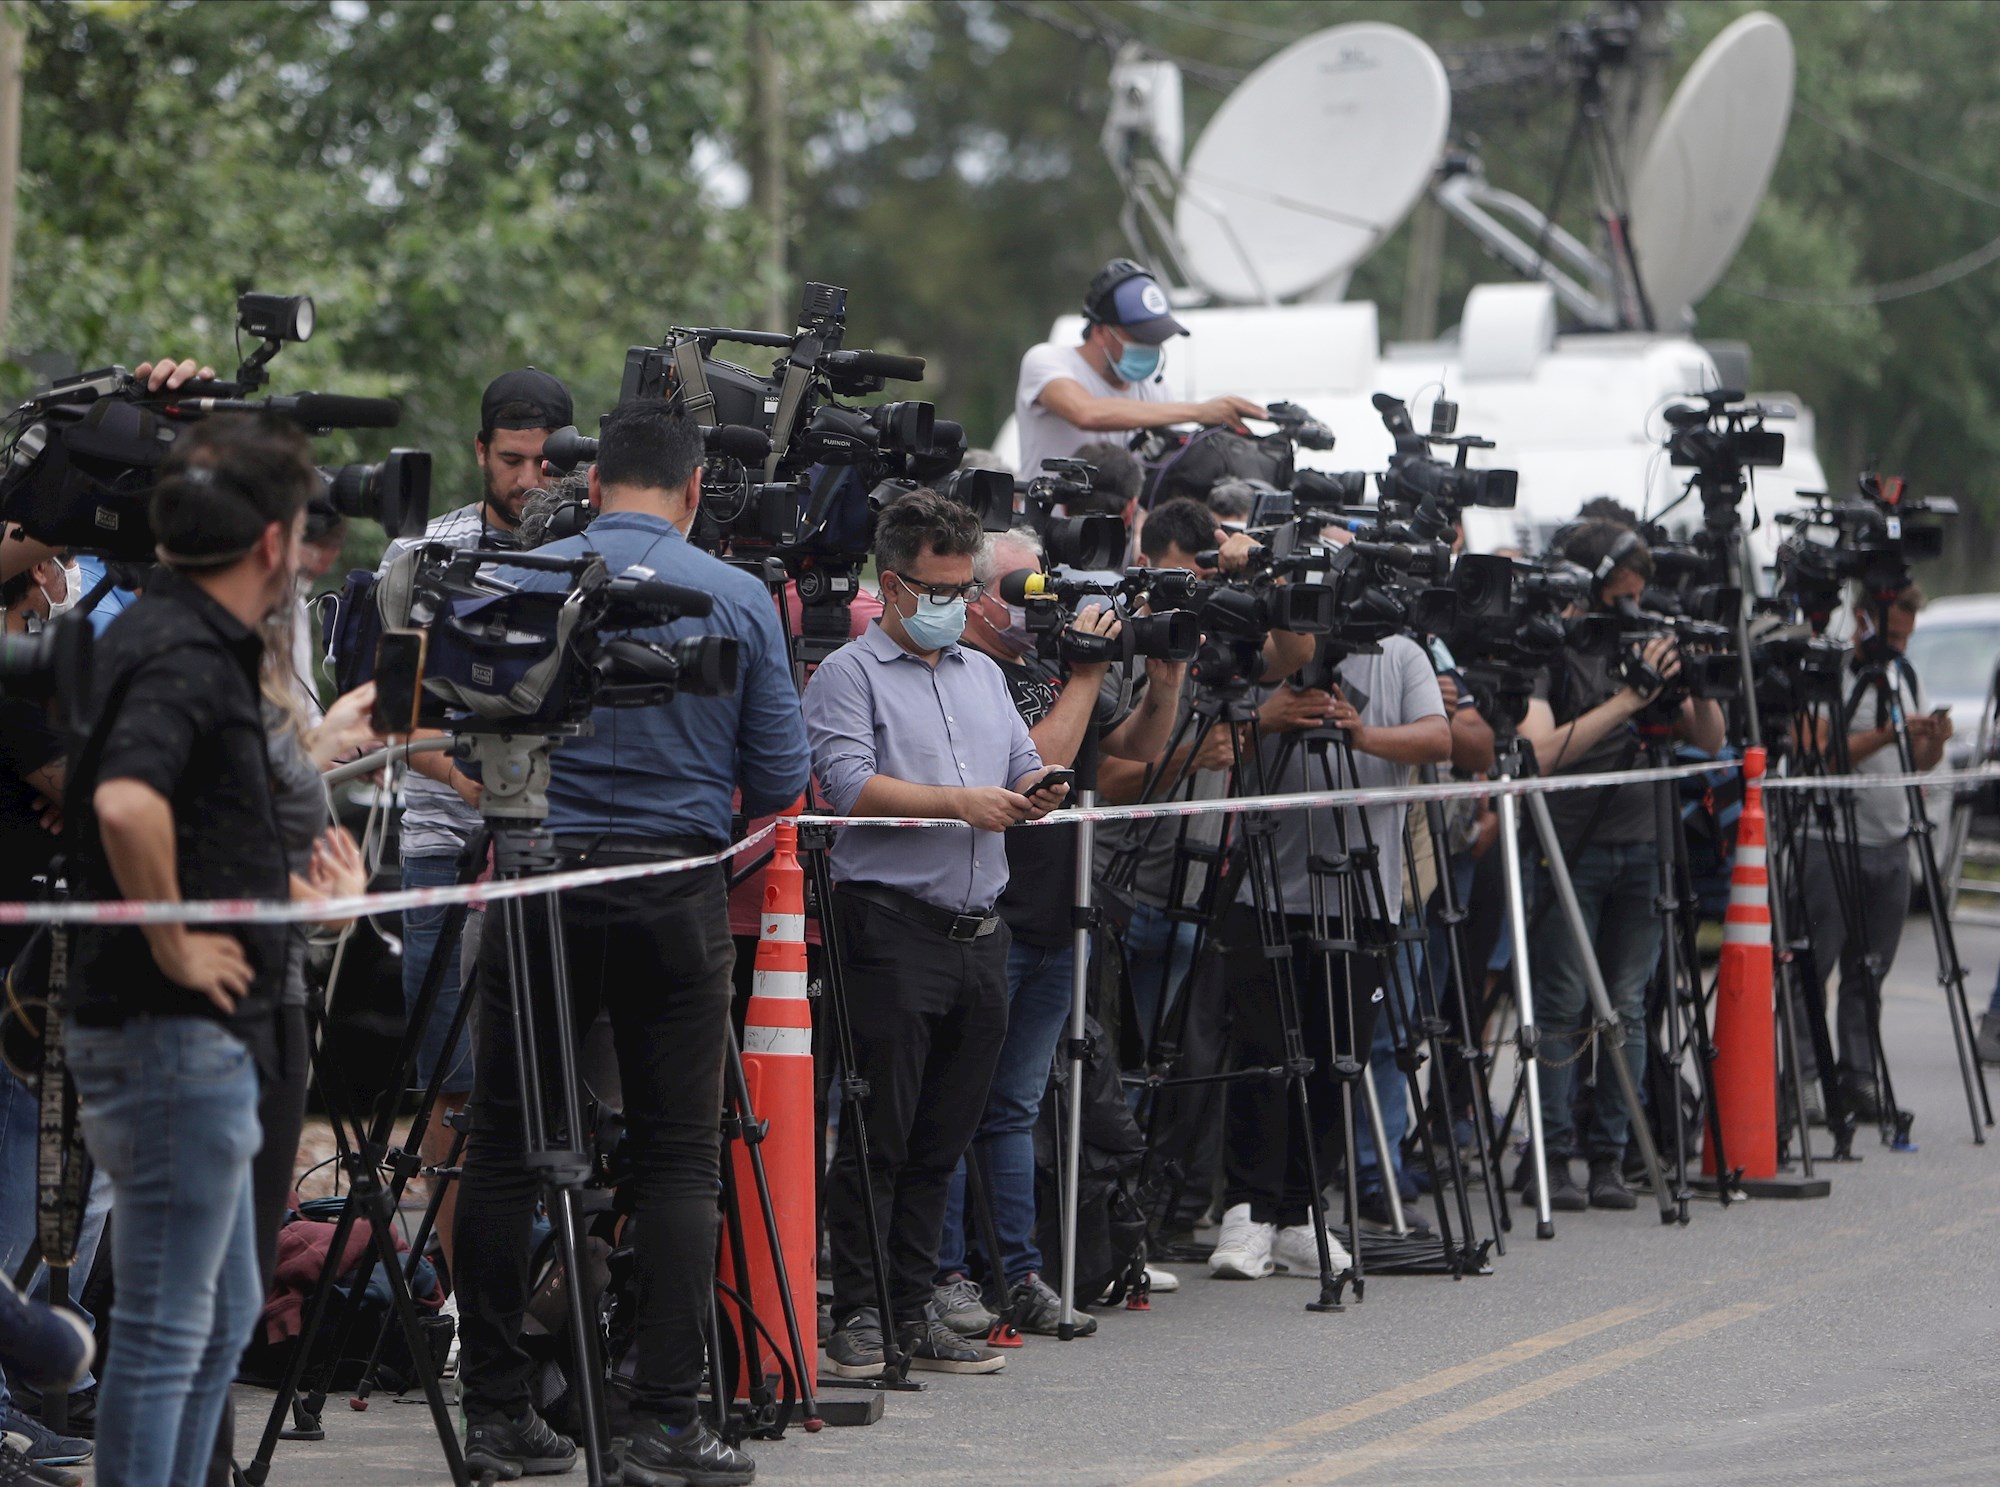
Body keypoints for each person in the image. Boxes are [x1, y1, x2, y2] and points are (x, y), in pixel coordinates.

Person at [453, 399, 807, 1486]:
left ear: (592, 481)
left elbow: (467, 735)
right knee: (675, 1153)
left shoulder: (515, 575)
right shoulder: (739, 595)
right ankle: (664, 1422)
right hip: (670, 886)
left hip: (536, 875)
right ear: (697, 489)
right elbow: (785, 777)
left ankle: (500, 1411)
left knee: (505, 1143)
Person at [62, 412, 357, 1487]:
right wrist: (179, 940)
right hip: (166, 1028)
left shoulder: (188, 638)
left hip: (202, 1033)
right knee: (168, 1322)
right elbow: (130, 803)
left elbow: (196, 831)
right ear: (274, 544)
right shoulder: (180, 646)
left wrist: (307, 899)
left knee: (221, 1307)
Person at [804, 490, 1068, 1378]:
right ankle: (860, 1317)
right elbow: (844, 784)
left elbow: (1022, 764)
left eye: (964, 587)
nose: (954, 604)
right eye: (938, 587)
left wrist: (1042, 788)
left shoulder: (982, 674)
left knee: (941, 1140)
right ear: (893, 584)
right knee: (879, 1133)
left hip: (979, 930)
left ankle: (913, 1306)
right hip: (889, 926)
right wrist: (961, 803)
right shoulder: (848, 673)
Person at [929, 524, 1182, 1338]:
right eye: (1025, 586)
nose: (1042, 598)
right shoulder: (965, 676)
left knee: (1012, 1106)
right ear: (974, 595)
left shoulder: (1046, 668)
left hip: (1057, 920)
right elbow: (1030, 772)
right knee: (957, 1106)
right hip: (990, 918)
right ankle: (946, 1275)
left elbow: (1132, 752)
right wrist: (1084, 672)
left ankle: (1019, 1271)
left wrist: (1166, 677)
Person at [376, 367, 573, 1285]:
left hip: (568, 854)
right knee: (454, 1089)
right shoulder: (425, 555)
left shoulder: (593, 549)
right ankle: (467, 1305)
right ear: (480, 452)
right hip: (446, 853)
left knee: (564, 1088)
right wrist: (480, 779)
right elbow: (390, 719)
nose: (530, 480)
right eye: (512, 460)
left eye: (547, 462)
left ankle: (555, 1295)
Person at [1206, 632, 1452, 1279]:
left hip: (1364, 897)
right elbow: (1210, 749)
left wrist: (1360, 732)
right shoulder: (1268, 646)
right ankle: (1246, 1210)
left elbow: (1439, 738)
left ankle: (1300, 1212)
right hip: (1266, 889)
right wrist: (1268, 711)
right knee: (1261, 1057)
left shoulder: (1400, 654)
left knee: (1333, 1060)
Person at [1516, 519, 1725, 1212]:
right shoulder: (1553, 649)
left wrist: (1685, 678)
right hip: (1570, 845)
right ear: (1587, 587)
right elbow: (1540, 754)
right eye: (1620, 598)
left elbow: (1709, 737)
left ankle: (1610, 1152)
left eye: (1640, 597)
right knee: (1564, 1004)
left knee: (1629, 1005)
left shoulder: (1649, 643)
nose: (1631, 613)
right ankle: (1551, 1153)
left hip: (1644, 842)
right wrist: (1626, 700)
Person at [1799, 582, 1949, 1117]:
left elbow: (1920, 763)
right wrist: (1888, 734)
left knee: (1870, 971)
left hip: (1889, 841)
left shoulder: (1904, 676)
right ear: (1861, 619)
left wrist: (1933, 739)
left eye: (1907, 637)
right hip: (1828, 839)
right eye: (1891, 634)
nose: (1899, 647)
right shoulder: (1829, 673)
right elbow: (1818, 751)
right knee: (1812, 971)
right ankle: (1803, 1078)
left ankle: (1858, 1077)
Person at [1013, 259, 1266, 486]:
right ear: (1101, 332)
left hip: (1124, 535)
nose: (1151, 347)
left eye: (1157, 338)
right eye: (1141, 337)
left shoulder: (1155, 389)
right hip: (1047, 534)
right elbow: (1085, 412)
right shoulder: (1047, 361)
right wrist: (1200, 411)